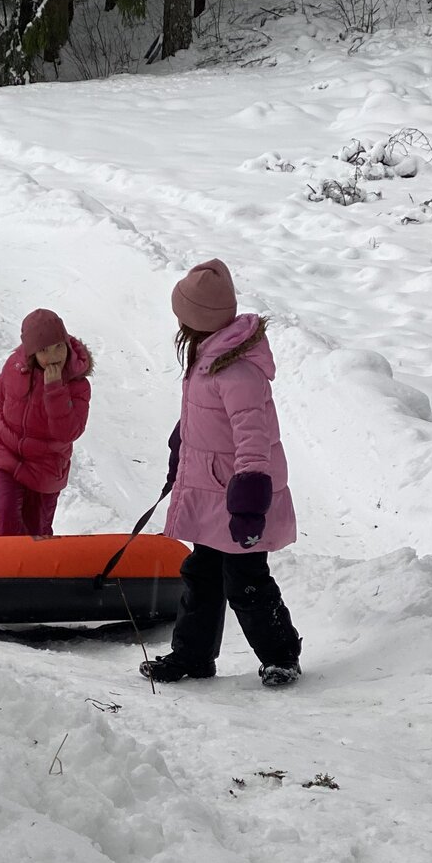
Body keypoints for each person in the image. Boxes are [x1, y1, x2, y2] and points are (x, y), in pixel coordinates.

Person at [142, 258, 302, 689]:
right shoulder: (209, 357)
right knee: (202, 575)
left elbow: (254, 441)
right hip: (212, 491)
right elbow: (200, 417)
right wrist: (181, 450)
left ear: (198, 320)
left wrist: (250, 507)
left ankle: (282, 656)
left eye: (182, 317)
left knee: (246, 581)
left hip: (238, 498)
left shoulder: (238, 371)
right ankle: (193, 656)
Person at [0, 309, 93, 537]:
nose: (53, 356)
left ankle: (32, 569)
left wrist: (55, 390)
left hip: (45, 467)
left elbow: (67, 432)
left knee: (36, 531)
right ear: (32, 352)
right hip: (6, 453)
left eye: (59, 347)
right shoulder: (15, 366)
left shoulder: (77, 385)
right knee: (5, 519)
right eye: (44, 350)